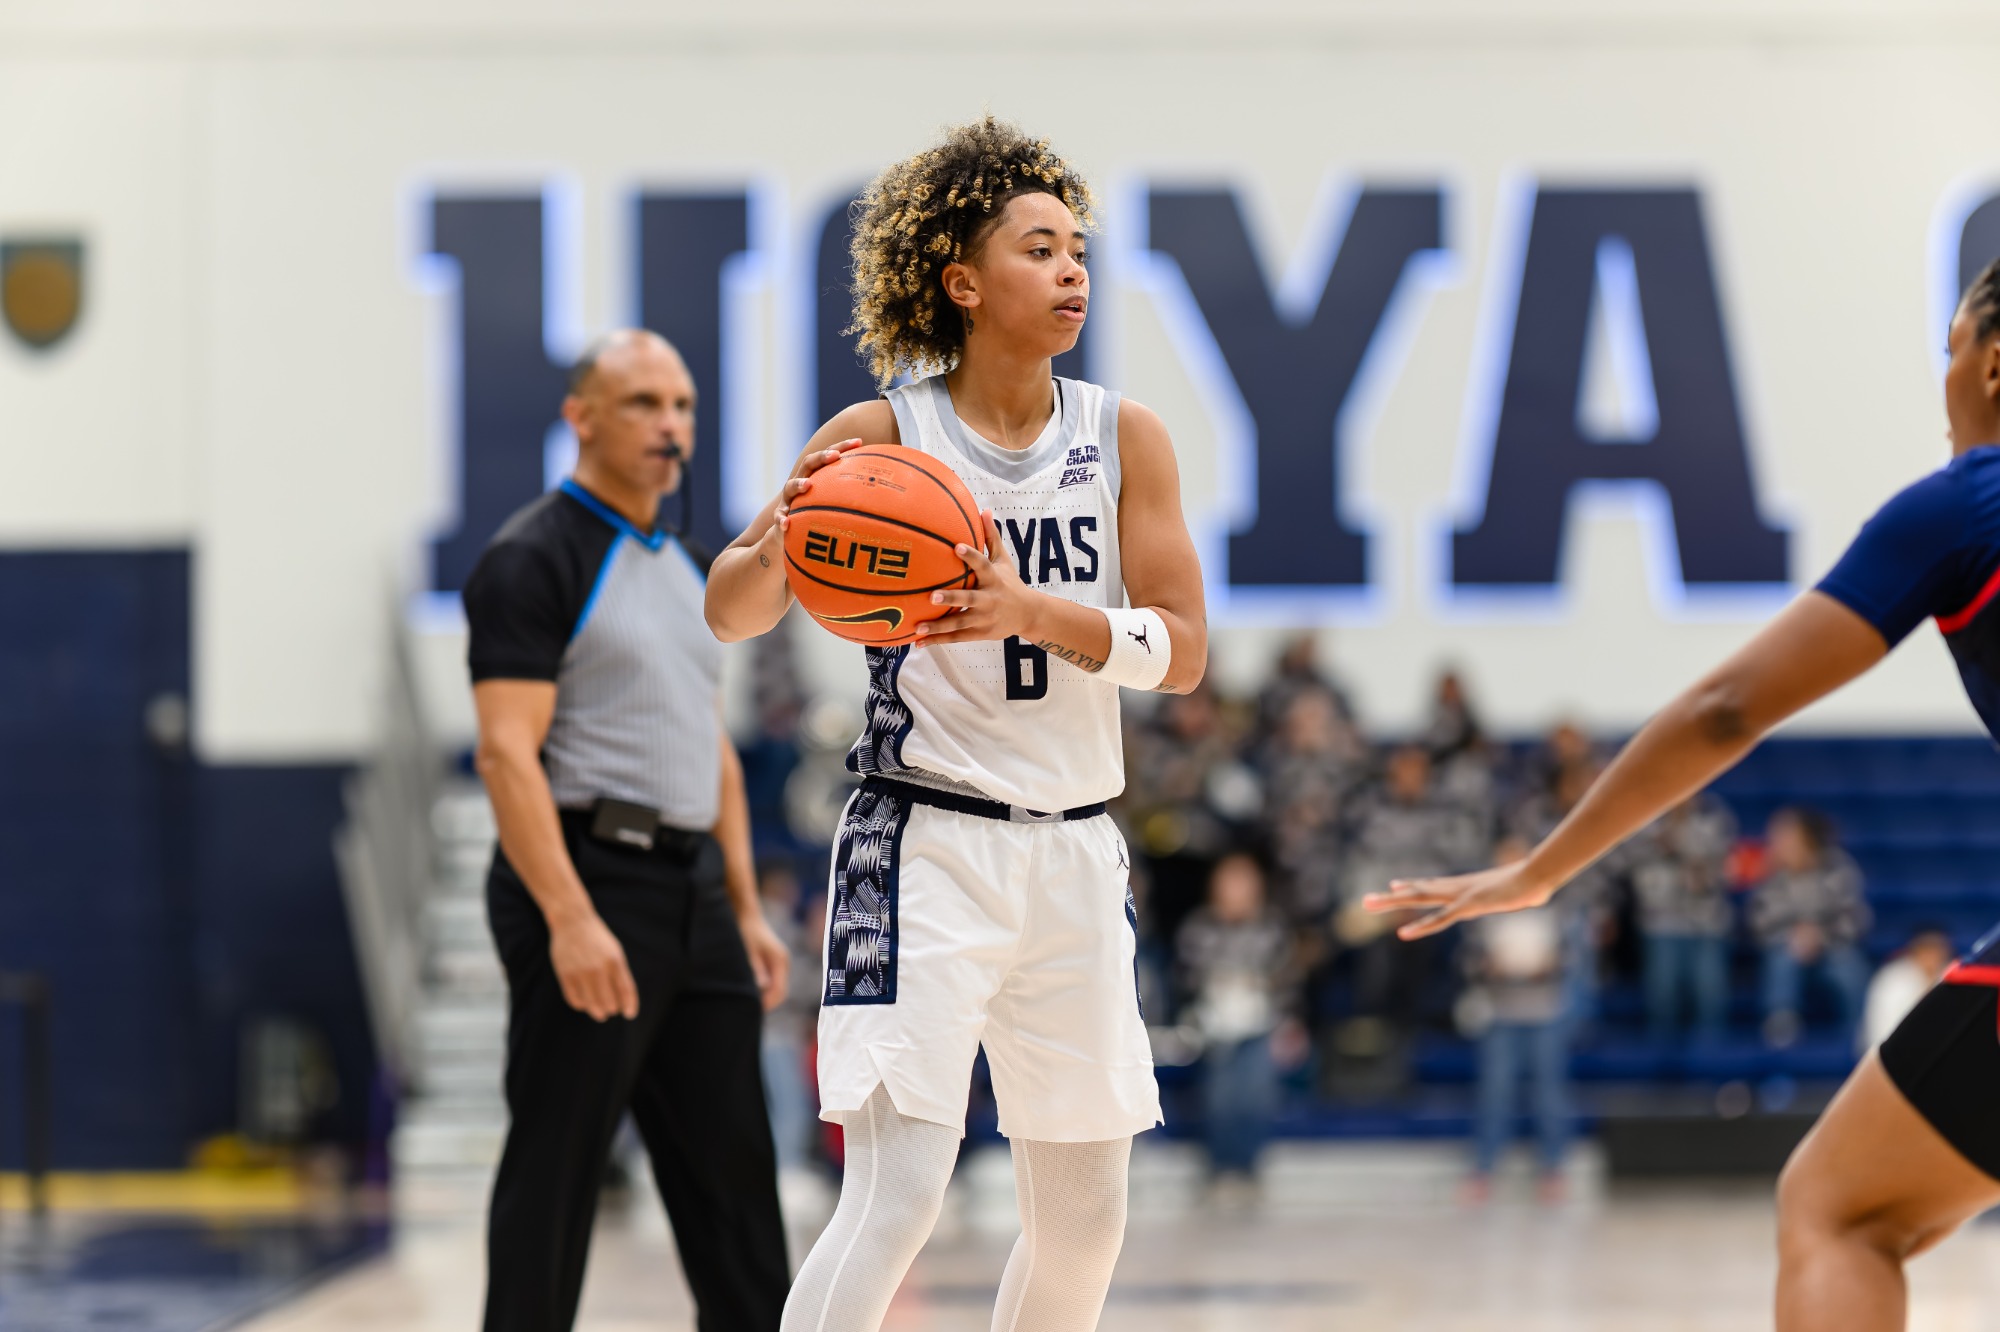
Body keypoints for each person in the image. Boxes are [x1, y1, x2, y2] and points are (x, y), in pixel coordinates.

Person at [1365, 259, 2000, 1331]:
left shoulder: (1966, 505)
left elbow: (1725, 709)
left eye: (1948, 351)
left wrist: (1540, 869)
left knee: (1839, 1208)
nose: (1940, 380)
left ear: (1992, 364)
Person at [704, 117, 1207, 1332]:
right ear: (962, 281)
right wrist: (787, 540)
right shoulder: (882, 438)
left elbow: (1182, 652)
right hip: (923, 842)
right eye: (1039, 249)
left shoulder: (1121, 436)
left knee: (1083, 1220)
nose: (1071, 270)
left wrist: (1031, 610)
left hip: (1074, 848)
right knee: (896, 1195)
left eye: (1077, 250)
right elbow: (727, 608)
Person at [462, 330, 792, 1332]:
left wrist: (743, 906)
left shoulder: (691, 568)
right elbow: (505, 754)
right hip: (590, 880)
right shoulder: (532, 558)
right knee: (555, 1178)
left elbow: (710, 746)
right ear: (582, 419)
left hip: (692, 893)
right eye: (643, 403)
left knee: (737, 1191)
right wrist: (568, 919)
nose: (669, 425)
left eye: (681, 405)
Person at [1175, 851, 1297, 1196]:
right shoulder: (1199, 927)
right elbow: (1184, 977)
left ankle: (1248, 1169)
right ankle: (1219, 1169)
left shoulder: (1271, 928)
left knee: (1256, 1098)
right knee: (1220, 1099)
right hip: (1215, 1028)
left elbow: (1287, 979)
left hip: (1260, 1026)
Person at [1460, 836, 1571, 1203]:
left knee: (1549, 1094)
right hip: (1501, 1012)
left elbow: (1571, 957)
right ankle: (1484, 1168)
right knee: (1495, 1094)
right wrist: (1487, 967)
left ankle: (1553, 1167)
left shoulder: (1554, 908)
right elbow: (1468, 960)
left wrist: (1550, 965)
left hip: (1543, 1010)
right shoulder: (1484, 911)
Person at [1750, 807, 1872, 1047]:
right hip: (1787, 947)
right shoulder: (1770, 873)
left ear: (1806, 837)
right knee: (1781, 962)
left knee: (1849, 968)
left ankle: (1861, 1035)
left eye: (1785, 835)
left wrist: (1819, 936)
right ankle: (1781, 1032)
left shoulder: (1838, 867)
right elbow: (1759, 921)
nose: (1777, 843)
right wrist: (1792, 936)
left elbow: (1855, 919)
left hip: (1832, 948)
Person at [1627, 795, 1738, 1044]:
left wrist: (1700, 869)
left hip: (1706, 922)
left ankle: (1710, 1053)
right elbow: (1632, 867)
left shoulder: (1716, 817)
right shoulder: (1644, 820)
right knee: (1663, 995)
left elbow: (1729, 870)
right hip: (1661, 921)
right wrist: (1664, 844)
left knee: (1709, 993)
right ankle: (1661, 1053)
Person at [1862, 929, 1953, 1051]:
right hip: (1889, 1054)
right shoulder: (1893, 979)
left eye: (1940, 949)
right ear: (1915, 950)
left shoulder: (1948, 975)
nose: (1934, 956)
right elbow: (1880, 1036)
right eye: (1928, 949)